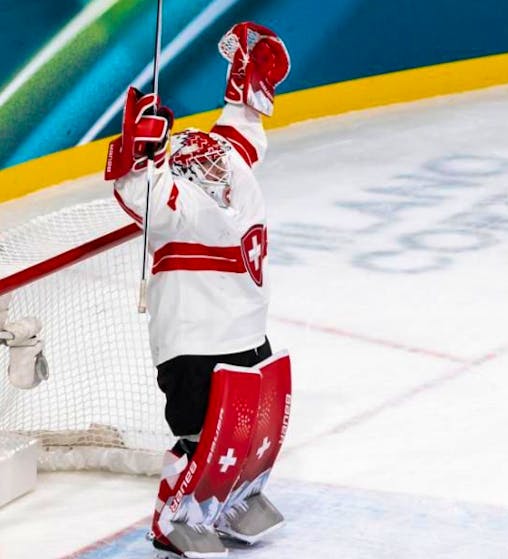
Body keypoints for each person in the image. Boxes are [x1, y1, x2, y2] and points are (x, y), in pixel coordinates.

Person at [105, 22, 291, 559]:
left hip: (247, 330)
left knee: (248, 434)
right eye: (193, 160)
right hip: (193, 341)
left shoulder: (228, 162)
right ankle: (172, 519)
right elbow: (139, 194)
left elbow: (242, 129)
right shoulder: (178, 203)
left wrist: (247, 85)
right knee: (196, 436)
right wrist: (138, 154)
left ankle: (231, 499)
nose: (210, 165)